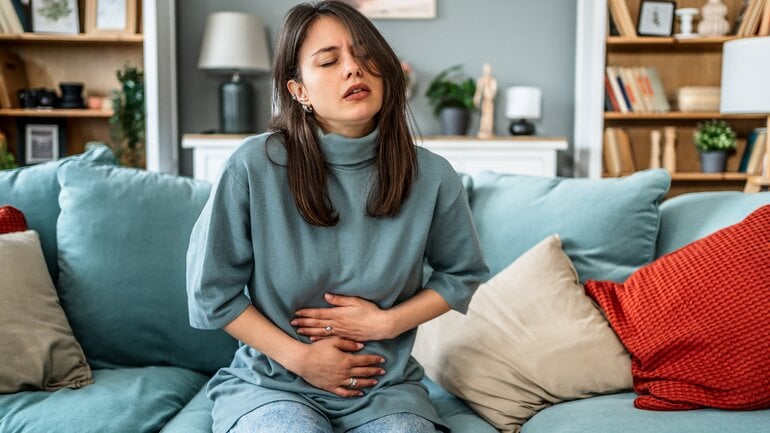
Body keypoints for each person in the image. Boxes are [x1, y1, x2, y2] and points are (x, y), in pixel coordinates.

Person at [186, 2, 489, 432]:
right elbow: (209, 293)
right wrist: (303, 359)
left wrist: (387, 321)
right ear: (299, 92)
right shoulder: (252, 166)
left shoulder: (432, 175)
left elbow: (462, 273)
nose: (353, 69)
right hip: (273, 384)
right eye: (328, 60)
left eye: (365, 55)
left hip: (386, 391)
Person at [473, 63, 497, 139]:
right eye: (486, 69)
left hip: (490, 101)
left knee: (489, 116)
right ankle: (483, 130)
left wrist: (490, 94)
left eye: (489, 69)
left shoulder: (492, 80)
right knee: (484, 116)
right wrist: (476, 99)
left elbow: (494, 90)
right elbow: (478, 91)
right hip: (485, 101)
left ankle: (489, 131)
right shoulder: (481, 80)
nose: (488, 71)